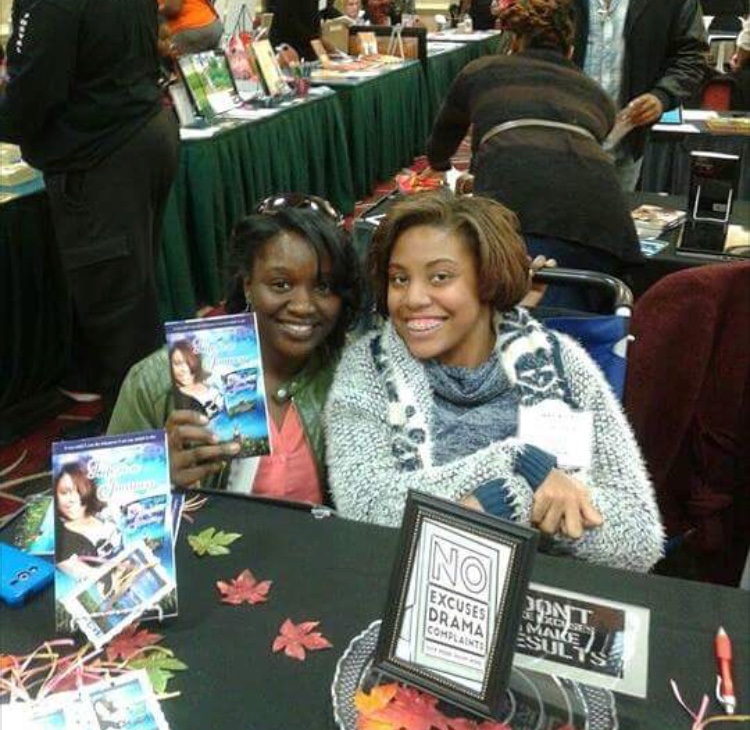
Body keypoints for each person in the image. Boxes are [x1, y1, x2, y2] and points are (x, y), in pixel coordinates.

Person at [325, 191, 664, 573]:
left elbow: (639, 539)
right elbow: (365, 509)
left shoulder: (562, 365)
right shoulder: (368, 369)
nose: (413, 298)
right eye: (399, 279)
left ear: (489, 280)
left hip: (545, 589)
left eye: (440, 277)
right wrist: (517, 462)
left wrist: (511, 502)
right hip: (410, 581)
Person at [108, 196, 361, 505]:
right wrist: (159, 477)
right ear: (247, 285)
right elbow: (101, 515)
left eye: (323, 287)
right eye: (281, 284)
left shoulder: (355, 371)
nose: (303, 306)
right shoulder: (154, 383)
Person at [0, 0, 180, 435]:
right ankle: (128, 408)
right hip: (141, 131)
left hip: (102, 155)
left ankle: (132, 434)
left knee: (118, 306)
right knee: (131, 291)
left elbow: (29, 102)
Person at [422, 0, 642, 311]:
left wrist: (441, 165)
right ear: (570, 50)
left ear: (514, 40)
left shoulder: (481, 71)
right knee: (585, 322)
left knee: (512, 320)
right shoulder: (597, 95)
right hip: (607, 227)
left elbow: (443, 140)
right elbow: (568, 155)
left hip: (517, 214)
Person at [570, 0, 708, 190]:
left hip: (625, 143)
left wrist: (662, 95)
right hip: (556, 140)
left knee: (617, 208)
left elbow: (692, 55)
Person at [55, 462, 123, 579]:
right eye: (64, 492)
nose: (72, 499)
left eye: (79, 491)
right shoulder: (61, 542)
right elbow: (96, 581)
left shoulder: (105, 515)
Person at [169, 340, 224, 419]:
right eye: (178, 363)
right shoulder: (174, 400)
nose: (185, 369)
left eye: (189, 362)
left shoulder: (210, 382)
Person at [159, 0, 224, 55]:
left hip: (191, 29)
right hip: (212, 23)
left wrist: (155, 11)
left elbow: (173, 7)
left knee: (163, 51)